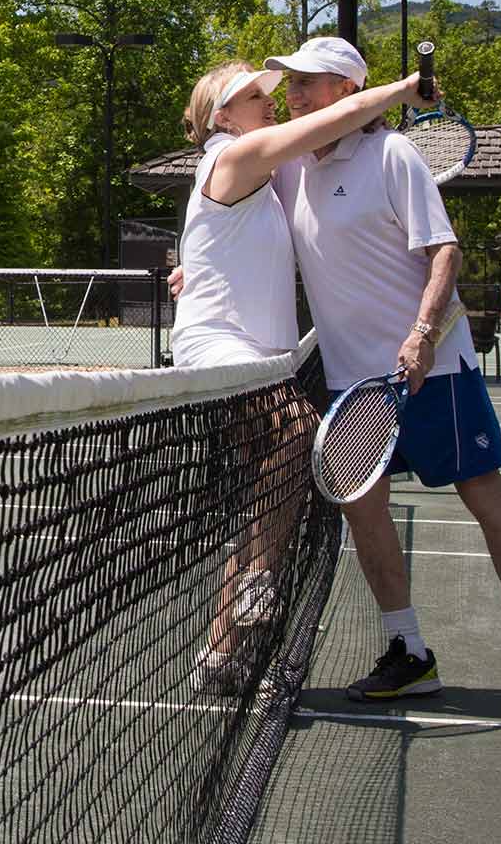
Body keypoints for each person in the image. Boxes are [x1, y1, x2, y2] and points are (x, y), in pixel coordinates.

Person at [173, 36, 501, 721]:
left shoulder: (393, 155)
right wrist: (193, 269)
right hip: (354, 385)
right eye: (284, 84)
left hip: (433, 370)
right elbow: (234, 218)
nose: (292, 94)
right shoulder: (286, 168)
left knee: (484, 496)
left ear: (347, 91)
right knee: (365, 514)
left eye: (308, 83)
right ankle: (407, 651)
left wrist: (418, 336)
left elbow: (446, 252)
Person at [173, 57, 431, 694]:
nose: (270, 97)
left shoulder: (263, 176)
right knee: (300, 432)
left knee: (270, 495)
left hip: (266, 357)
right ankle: (260, 578)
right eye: (252, 93)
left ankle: (219, 655)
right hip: (218, 349)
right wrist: (403, 89)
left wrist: (187, 266)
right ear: (220, 117)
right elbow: (332, 120)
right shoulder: (231, 157)